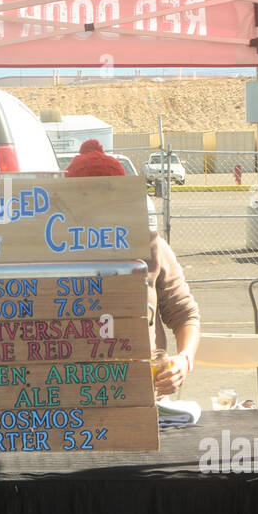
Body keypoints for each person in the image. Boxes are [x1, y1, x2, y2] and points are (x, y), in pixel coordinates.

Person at [64, 140, 200, 395]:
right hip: (73, 396)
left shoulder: (151, 247)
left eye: (108, 194)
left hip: (143, 396)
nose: (98, 206)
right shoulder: (52, 254)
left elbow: (185, 314)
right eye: (86, 196)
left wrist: (183, 360)